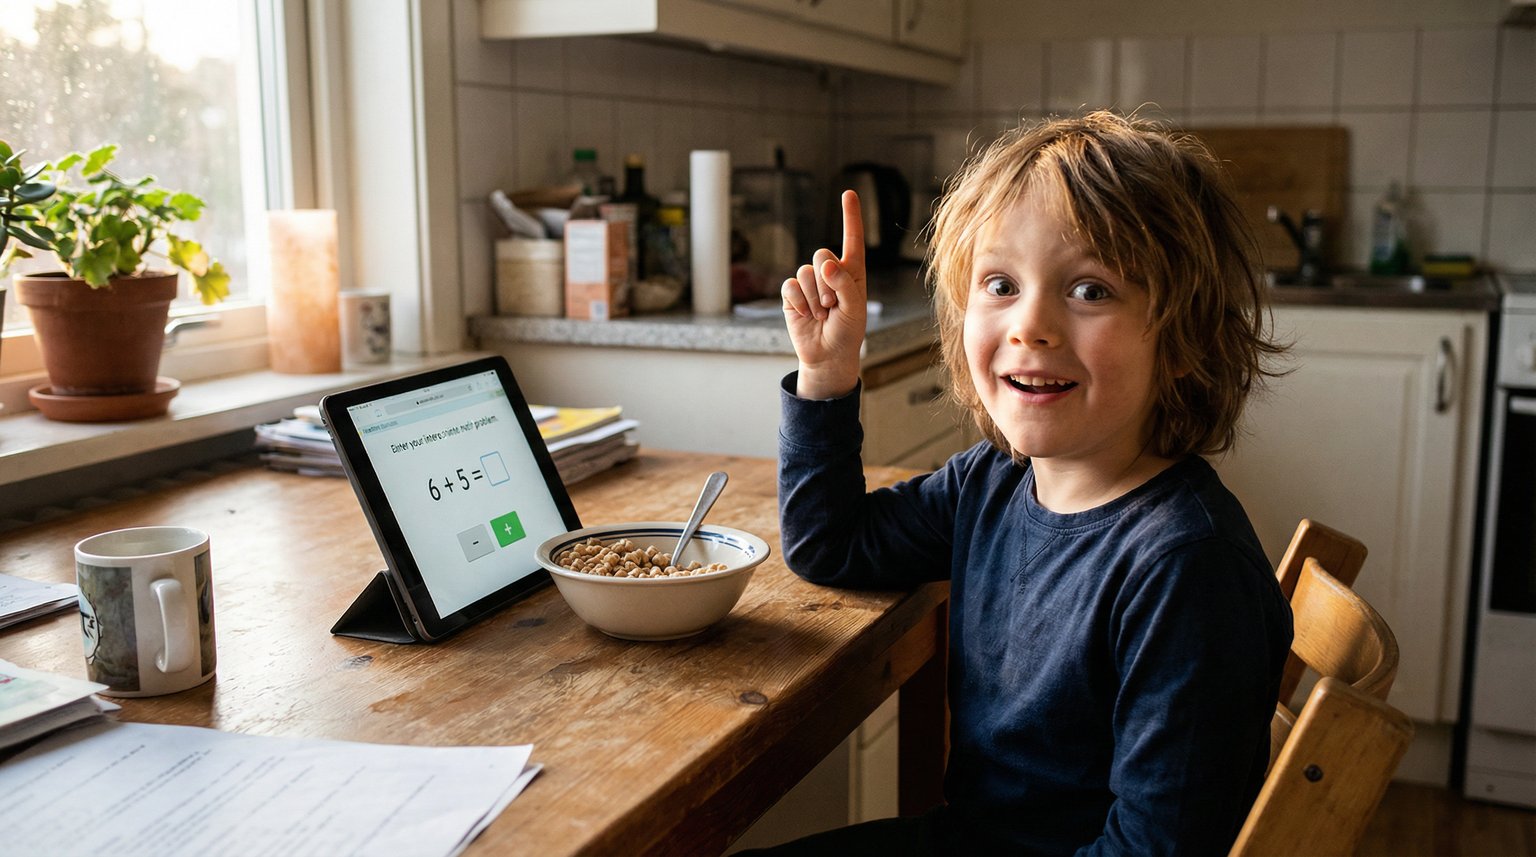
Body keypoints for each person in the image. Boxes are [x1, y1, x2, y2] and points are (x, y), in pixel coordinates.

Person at [769, 111, 1292, 855]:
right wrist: (827, 375)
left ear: (1183, 338)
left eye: (1090, 289)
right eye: (1001, 283)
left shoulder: (1187, 569)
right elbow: (834, 544)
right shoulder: (999, 481)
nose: (1031, 325)